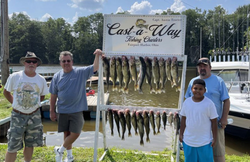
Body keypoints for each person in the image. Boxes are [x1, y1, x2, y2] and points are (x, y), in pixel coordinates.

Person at [49, 49, 103, 162]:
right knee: (67, 133)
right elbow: (53, 95)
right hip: (62, 110)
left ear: (72, 61)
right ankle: (69, 157)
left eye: (68, 60)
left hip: (77, 110)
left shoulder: (80, 72)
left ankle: (60, 150)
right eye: (63, 61)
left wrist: (98, 55)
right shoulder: (56, 76)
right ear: (60, 63)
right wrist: (51, 111)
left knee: (76, 133)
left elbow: (95, 67)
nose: (66, 63)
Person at [3, 52, 49, 162]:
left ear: (37, 64)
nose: (31, 63)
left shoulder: (41, 79)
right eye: (29, 61)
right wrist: (15, 103)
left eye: (34, 61)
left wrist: (33, 105)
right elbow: (6, 92)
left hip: (34, 116)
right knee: (12, 145)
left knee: (30, 144)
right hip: (18, 116)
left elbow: (42, 96)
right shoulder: (15, 77)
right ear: (24, 62)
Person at [185, 57, 230, 162]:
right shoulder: (192, 82)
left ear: (210, 67)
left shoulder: (219, 81)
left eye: (205, 66)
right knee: (200, 154)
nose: (202, 68)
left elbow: (226, 101)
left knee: (218, 153)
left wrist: (224, 118)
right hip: (197, 125)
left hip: (216, 123)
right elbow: (187, 102)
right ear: (197, 68)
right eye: (200, 66)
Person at [179, 79, 218, 162]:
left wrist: (215, 138)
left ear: (205, 90)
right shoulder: (187, 102)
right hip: (189, 141)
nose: (197, 91)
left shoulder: (209, 104)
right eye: (195, 88)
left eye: (200, 89)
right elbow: (183, 119)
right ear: (191, 89)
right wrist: (181, 134)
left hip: (205, 142)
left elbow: (214, 122)